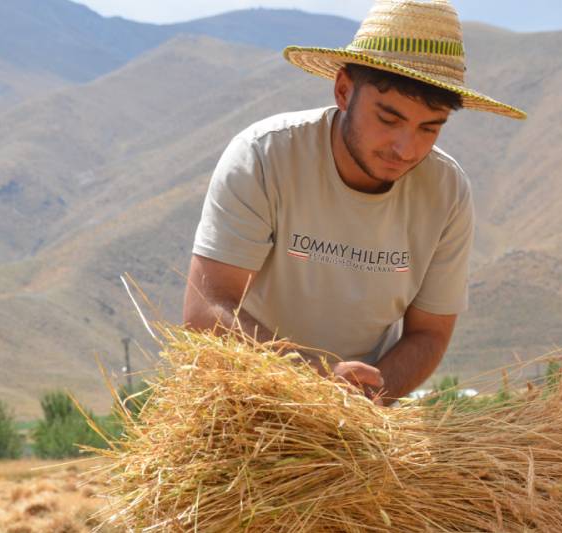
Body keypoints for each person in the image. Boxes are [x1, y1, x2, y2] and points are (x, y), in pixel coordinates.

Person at [182, 0, 525, 405]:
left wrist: (365, 403)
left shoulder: (446, 191)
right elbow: (206, 307)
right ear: (344, 90)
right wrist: (315, 379)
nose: (405, 147)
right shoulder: (265, 155)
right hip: (247, 400)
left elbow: (429, 333)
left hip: (362, 418)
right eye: (388, 119)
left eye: (428, 128)